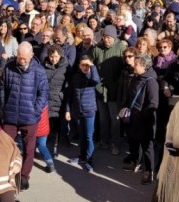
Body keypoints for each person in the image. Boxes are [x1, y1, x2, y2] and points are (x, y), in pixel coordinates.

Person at [0, 41, 49, 190]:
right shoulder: (9, 67)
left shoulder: (39, 71)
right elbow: (2, 87)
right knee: (5, 146)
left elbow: (43, 94)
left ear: (31, 55)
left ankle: (24, 176)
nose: (21, 61)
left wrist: (35, 110)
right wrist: (4, 104)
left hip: (29, 117)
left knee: (29, 148)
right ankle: (4, 172)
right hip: (10, 115)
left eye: (24, 58)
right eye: (19, 57)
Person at [119, 54, 159, 185]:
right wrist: (124, 107)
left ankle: (149, 172)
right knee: (133, 142)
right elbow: (129, 95)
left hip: (145, 120)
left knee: (147, 147)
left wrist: (141, 115)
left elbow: (153, 104)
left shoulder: (151, 81)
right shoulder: (136, 78)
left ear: (144, 66)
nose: (133, 65)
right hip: (133, 119)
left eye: (136, 64)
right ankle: (135, 162)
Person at [92, 24, 126, 155]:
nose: (106, 40)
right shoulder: (97, 49)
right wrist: (96, 84)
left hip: (114, 90)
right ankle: (104, 141)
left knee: (115, 119)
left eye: (109, 37)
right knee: (103, 118)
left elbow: (124, 68)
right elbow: (92, 67)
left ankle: (115, 143)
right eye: (105, 37)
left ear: (114, 37)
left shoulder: (121, 48)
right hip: (100, 89)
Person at [65, 55, 100, 173]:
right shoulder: (75, 78)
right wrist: (68, 110)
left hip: (89, 110)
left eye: (87, 65)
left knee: (89, 136)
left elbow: (96, 81)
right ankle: (83, 156)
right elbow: (69, 95)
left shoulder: (91, 77)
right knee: (82, 135)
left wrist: (92, 67)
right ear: (79, 66)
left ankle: (90, 160)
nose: (85, 67)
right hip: (77, 111)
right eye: (83, 65)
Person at [42, 44, 68, 159]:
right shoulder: (43, 66)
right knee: (45, 128)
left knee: (55, 128)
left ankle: (52, 150)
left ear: (60, 56)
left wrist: (62, 95)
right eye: (52, 56)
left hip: (58, 101)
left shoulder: (66, 67)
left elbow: (69, 85)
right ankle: (47, 150)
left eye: (56, 57)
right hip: (46, 100)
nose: (54, 59)